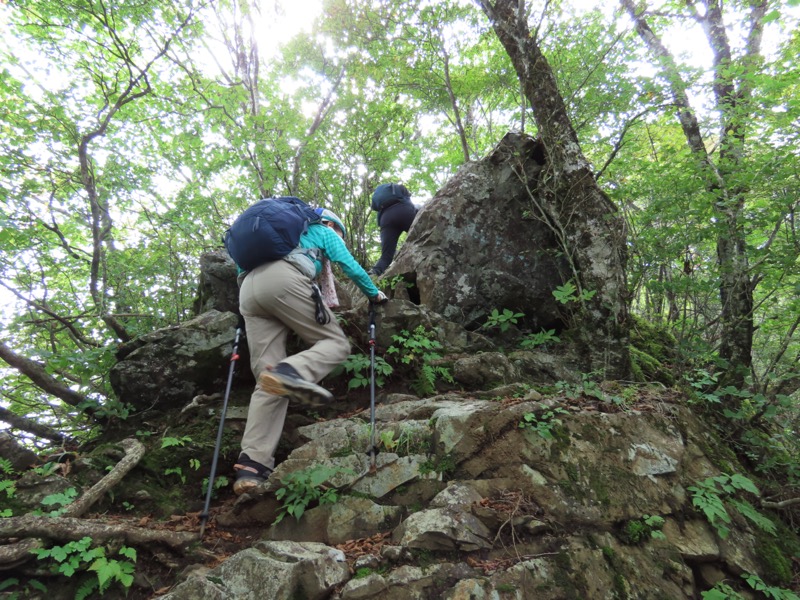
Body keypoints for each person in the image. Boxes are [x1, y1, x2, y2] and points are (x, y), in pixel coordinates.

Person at [233, 208, 387, 495]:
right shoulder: (323, 230)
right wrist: (373, 293)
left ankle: (252, 467)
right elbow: (349, 265)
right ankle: (291, 371)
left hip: (248, 292)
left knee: (267, 382)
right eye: (340, 233)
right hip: (284, 280)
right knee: (334, 343)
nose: (338, 238)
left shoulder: (267, 242)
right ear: (330, 223)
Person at [369, 183, 417, 276]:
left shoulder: (379, 197)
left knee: (386, 256)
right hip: (403, 210)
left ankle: (375, 272)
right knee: (420, 235)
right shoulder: (399, 189)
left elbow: (374, 207)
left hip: (385, 218)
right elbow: (409, 201)